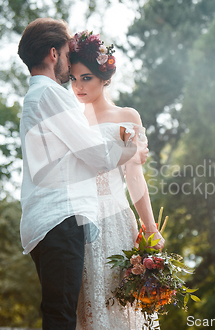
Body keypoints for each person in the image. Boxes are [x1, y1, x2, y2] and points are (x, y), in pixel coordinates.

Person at [17, 18, 150, 329]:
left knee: (61, 312)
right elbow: (96, 153)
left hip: (56, 220)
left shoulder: (37, 97)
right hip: (61, 219)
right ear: (53, 53)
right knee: (63, 315)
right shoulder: (51, 96)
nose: (73, 79)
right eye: (65, 55)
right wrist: (133, 149)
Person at [68, 31, 165, 329]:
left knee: (124, 302)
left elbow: (134, 175)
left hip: (118, 218)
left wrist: (150, 227)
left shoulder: (126, 117)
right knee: (89, 306)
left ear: (104, 77)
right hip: (80, 220)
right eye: (73, 79)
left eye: (86, 78)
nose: (79, 86)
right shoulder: (69, 118)